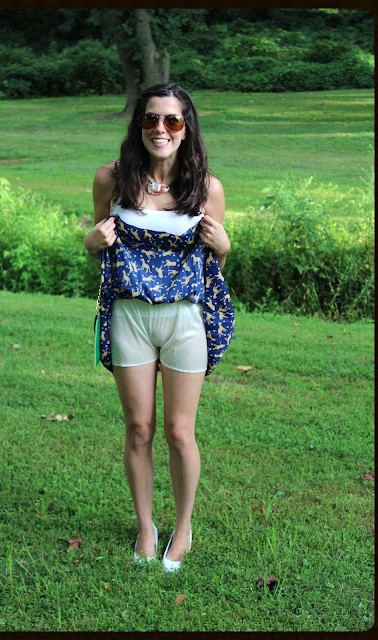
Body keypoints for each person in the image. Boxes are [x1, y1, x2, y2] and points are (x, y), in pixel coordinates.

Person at [84, 82, 234, 572]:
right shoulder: (111, 179)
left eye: (172, 120)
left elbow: (213, 268)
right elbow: (100, 247)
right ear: (139, 125)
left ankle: (183, 528)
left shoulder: (206, 188)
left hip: (185, 319)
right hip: (130, 316)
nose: (160, 129)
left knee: (180, 432)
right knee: (139, 428)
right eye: (151, 118)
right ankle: (146, 527)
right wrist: (91, 242)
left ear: (186, 128)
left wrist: (225, 247)